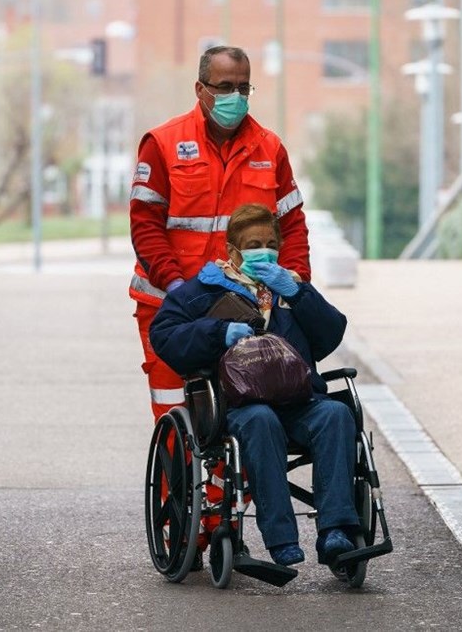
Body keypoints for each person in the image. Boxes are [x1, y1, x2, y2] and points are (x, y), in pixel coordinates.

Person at [149, 203, 358, 568]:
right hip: (240, 406)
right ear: (232, 250)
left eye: (270, 243)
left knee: (336, 414)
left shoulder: (290, 286)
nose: (265, 250)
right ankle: (281, 540)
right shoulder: (205, 290)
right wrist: (218, 332)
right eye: (253, 243)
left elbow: (330, 334)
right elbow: (164, 335)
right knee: (262, 421)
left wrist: (296, 294)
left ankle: (336, 532)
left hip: (299, 400)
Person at [129, 45, 312, 421]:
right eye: (225, 86)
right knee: (175, 409)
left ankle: (226, 482)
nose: (236, 97)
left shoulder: (270, 148)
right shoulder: (162, 144)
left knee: (241, 409)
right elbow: (145, 225)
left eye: (244, 88)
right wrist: (176, 287)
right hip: (171, 305)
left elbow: (292, 226)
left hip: (247, 308)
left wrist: (295, 285)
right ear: (200, 89)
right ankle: (176, 481)